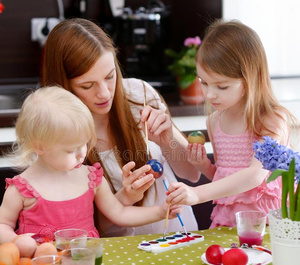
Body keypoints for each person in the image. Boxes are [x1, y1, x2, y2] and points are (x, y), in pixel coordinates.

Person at [40, 18, 200, 236]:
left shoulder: (139, 94)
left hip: (181, 240)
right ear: (64, 85)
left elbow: (192, 173)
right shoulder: (56, 137)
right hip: (124, 260)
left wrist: (167, 138)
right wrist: (126, 197)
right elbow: (85, 231)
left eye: (109, 76)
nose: (104, 93)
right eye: (87, 85)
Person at [0, 86, 182, 246]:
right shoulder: (22, 189)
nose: (82, 154)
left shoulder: (90, 178)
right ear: (39, 146)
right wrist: (17, 241)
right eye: (71, 150)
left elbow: (119, 213)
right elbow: (2, 225)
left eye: (85, 144)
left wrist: (160, 211)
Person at [166, 20, 299, 228]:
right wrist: (204, 166)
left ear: (250, 79)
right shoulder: (214, 121)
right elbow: (222, 176)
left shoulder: (271, 120)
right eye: (203, 82)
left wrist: (196, 193)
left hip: (265, 225)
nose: (209, 95)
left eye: (222, 86)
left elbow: (255, 175)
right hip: (227, 221)